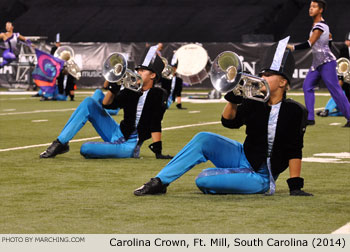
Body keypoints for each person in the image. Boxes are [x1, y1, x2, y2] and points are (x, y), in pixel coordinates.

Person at [134, 41, 313, 197]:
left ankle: (238, 177)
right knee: (204, 138)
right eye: (262, 73)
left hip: (261, 175)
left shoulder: (295, 110)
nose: (261, 77)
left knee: (204, 179)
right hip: (243, 156)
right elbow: (229, 122)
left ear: (283, 82)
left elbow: (294, 149)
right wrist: (234, 99)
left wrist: (295, 186)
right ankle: (160, 181)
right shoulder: (255, 101)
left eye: (268, 75)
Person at [40, 47, 173, 159]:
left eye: (142, 71)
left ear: (153, 75)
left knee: (85, 148)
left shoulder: (158, 94)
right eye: (138, 70)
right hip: (116, 132)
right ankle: (60, 143)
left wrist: (158, 151)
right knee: (88, 102)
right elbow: (107, 104)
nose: (137, 73)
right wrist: (114, 86)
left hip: (128, 144)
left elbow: (155, 122)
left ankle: (123, 150)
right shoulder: (132, 89)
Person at [287, 0, 350, 127]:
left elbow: (310, 43)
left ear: (320, 10)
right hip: (317, 64)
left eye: (314, 7)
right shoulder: (319, 26)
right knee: (307, 87)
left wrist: (292, 48)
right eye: (310, 6)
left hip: (327, 63)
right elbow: (330, 40)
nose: (311, 9)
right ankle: (310, 118)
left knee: (336, 91)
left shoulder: (320, 26)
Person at [317, 32, 350, 117]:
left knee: (340, 93)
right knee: (340, 92)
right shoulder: (344, 52)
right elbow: (342, 69)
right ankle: (327, 111)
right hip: (346, 85)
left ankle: (327, 112)